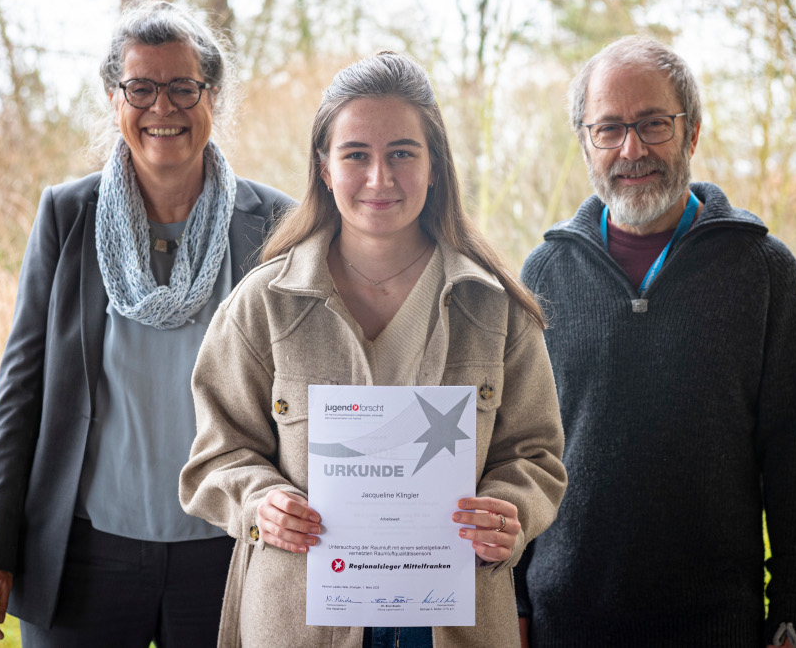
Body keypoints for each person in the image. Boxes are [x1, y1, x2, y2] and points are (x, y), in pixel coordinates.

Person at [178, 51, 568, 648]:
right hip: (300, 617)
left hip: (452, 619)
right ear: (325, 169)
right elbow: (215, 458)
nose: (379, 178)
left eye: (403, 154)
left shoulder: (496, 308)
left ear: (435, 166)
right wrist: (262, 503)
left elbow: (536, 456)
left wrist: (507, 509)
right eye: (356, 154)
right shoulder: (263, 304)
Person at [0, 1, 294, 646]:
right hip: (85, 552)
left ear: (213, 97)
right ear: (115, 97)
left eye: (182, 87)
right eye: (141, 87)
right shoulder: (67, 214)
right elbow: (20, 389)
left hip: (227, 550)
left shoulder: (272, 222)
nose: (161, 107)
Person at [516, 36, 796, 648]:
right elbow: (522, 452)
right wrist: (518, 601)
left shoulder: (764, 271)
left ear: (691, 133)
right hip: (565, 623)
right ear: (586, 143)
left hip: (717, 624)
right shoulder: (543, 274)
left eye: (653, 124)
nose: (631, 149)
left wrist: (795, 605)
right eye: (608, 129)